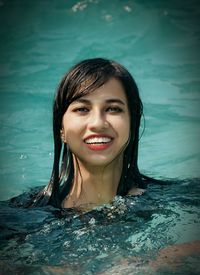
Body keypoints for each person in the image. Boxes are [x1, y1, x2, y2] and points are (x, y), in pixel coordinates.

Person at [24, 58, 161, 210]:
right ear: (60, 129)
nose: (98, 123)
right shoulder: (22, 219)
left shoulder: (176, 199)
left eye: (113, 109)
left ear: (132, 123)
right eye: (82, 109)